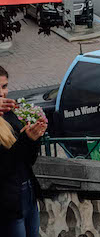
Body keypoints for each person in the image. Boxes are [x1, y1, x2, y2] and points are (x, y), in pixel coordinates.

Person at [0, 65, 46, 237]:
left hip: (27, 194)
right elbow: (5, 167)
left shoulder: (9, 114)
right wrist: (26, 140)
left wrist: (34, 138)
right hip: (8, 203)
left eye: (4, 86)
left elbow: (27, 160)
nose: (2, 93)